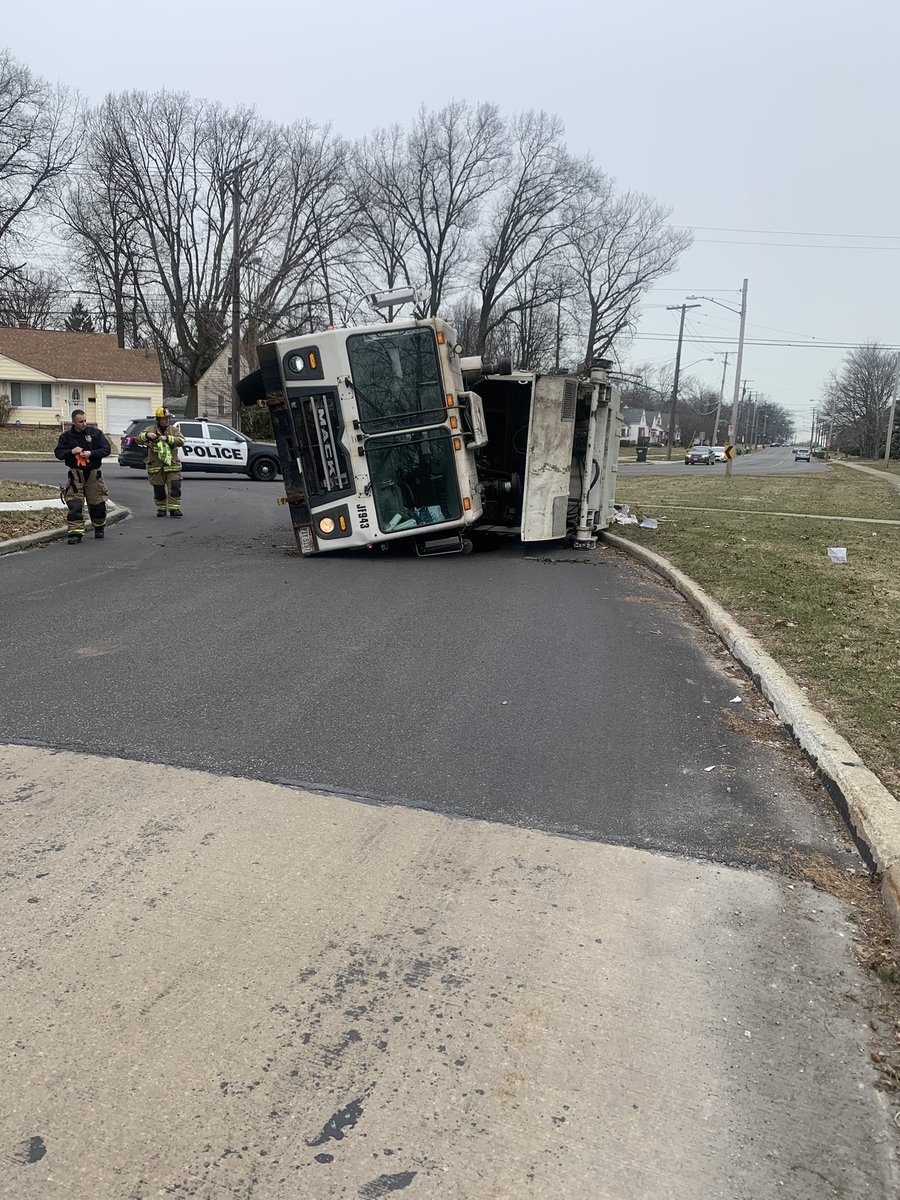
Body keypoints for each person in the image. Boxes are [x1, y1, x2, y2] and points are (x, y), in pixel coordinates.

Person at [54, 409, 112, 544]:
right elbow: (58, 453)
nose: (84, 424)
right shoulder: (66, 437)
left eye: (85, 421)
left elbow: (106, 449)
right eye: (80, 421)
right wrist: (71, 451)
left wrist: (91, 453)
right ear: (73, 422)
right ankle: (76, 533)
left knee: (97, 503)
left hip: (93, 474)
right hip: (75, 475)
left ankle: (99, 527)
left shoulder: (95, 434)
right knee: (75, 504)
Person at [139, 408, 186, 517]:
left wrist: (167, 438)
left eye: (168, 418)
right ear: (159, 419)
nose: (167, 420)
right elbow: (138, 439)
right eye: (164, 418)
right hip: (156, 465)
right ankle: (161, 509)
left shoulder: (174, 430)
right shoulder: (150, 429)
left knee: (175, 487)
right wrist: (147, 436)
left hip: (172, 465)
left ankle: (175, 509)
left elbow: (182, 441)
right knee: (158, 488)